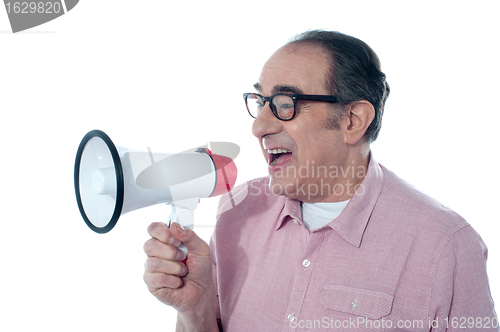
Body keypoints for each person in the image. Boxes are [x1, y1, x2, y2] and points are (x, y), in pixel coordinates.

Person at [143, 30, 498, 331]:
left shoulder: (446, 245)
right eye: (260, 101)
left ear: (353, 121)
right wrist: (196, 310)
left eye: (285, 103)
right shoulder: (237, 208)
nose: (259, 126)